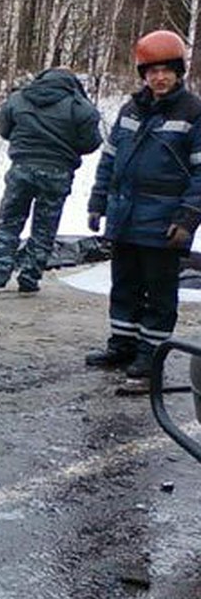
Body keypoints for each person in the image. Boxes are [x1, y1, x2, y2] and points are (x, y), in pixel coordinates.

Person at [85, 29, 201, 381]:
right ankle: (122, 344)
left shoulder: (193, 112)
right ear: (143, 74)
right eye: (152, 71)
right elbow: (110, 159)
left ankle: (151, 355)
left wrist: (187, 218)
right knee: (124, 285)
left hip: (164, 222)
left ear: (179, 72)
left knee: (160, 292)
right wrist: (97, 201)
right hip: (125, 215)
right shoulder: (130, 109)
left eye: (167, 70)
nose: (160, 77)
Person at [0, 68, 102, 293]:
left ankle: (0, 271)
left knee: (9, 221)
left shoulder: (18, 99)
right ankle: (30, 276)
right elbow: (91, 143)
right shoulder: (81, 108)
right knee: (44, 228)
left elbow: (4, 130)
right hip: (57, 173)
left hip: (21, 168)